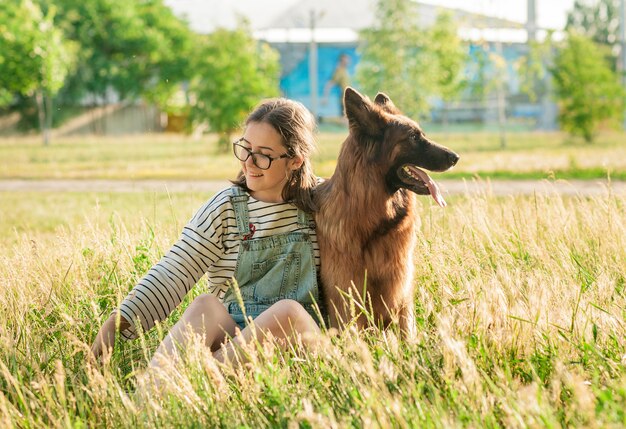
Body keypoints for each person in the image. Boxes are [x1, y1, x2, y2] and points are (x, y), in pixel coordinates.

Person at [90, 98, 324, 367]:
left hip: (298, 344)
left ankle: (205, 381)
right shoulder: (226, 207)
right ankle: (152, 396)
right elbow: (175, 270)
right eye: (245, 148)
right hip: (233, 338)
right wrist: (118, 321)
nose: (249, 162)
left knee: (287, 312)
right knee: (205, 306)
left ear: (295, 160)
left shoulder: (324, 203)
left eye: (263, 154)